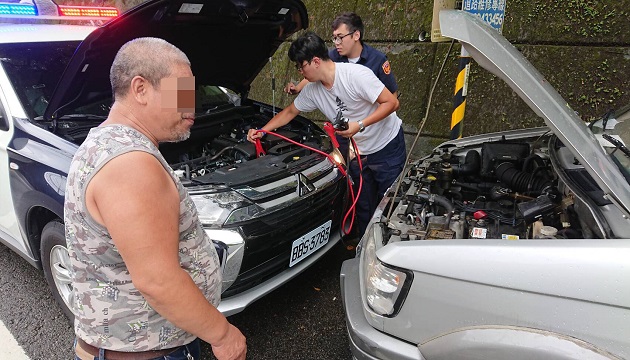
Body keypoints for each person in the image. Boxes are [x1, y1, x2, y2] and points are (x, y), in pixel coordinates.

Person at [64, 37, 247, 360]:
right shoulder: (131, 164)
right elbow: (157, 280)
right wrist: (222, 334)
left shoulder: (108, 143)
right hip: (149, 352)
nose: (192, 107)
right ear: (140, 89)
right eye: (182, 93)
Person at [248, 32, 406, 238]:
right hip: (358, 153)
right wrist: (262, 131)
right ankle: (365, 248)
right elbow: (289, 112)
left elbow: (392, 103)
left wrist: (359, 125)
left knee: (389, 204)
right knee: (364, 205)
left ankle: (390, 251)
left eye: (300, 66)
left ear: (315, 61)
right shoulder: (313, 90)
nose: (299, 71)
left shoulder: (355, 75)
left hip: (387, 147)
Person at [284, 12, 398, 97]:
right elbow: (318, 72)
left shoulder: (378, 60)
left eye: (340, 38)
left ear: (356, 35)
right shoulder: (332, 56)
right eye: (334, 38)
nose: (337, 43)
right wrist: (298, 88)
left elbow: (392, 94)